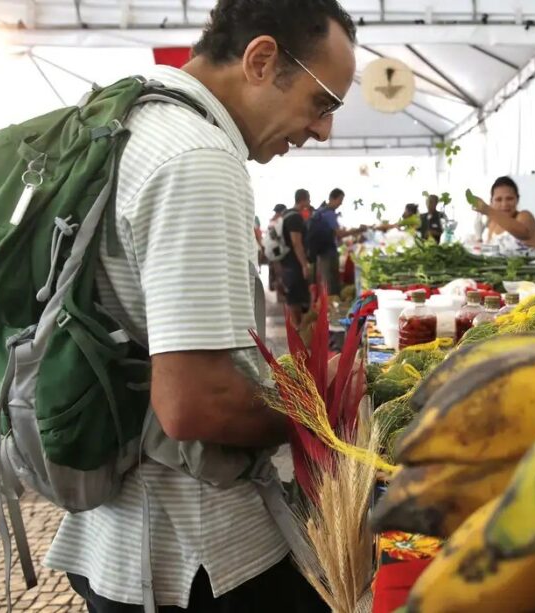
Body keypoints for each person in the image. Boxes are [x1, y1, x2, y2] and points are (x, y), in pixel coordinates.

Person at [44, 1, 357, 611]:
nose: (323, 131)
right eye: (323, 102)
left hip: (116, 526)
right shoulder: (197, 157)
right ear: (262, 60)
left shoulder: (121, 119)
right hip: (191, 550)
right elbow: (194, 404)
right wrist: (328, 423)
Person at [309, 187, 366, 299]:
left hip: (321, 252)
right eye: (340, 199)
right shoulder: (329, 214)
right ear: (333, 199)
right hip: (328, 252)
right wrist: (358, 230)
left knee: (327, 280)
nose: (341, 203)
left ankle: (329, 305)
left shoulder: (321, 211)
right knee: (330, 282)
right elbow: (339, 234)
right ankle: (331, 306)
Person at [470, 176, 535, 255]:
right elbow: (488, 254)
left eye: (509, 198)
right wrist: (478, 238)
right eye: (498, 199)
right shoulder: (493, 224)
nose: (504, 204)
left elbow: (523, 234)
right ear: (491, 201)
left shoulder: (524, 216)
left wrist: (488, 210)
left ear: (517, 199)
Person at [282, 188, 314, 325]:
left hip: (288, 262)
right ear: (303, 200)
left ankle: (297, 327)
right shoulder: (295, 217)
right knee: (295, 297)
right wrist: (304, 265)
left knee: (294, 296)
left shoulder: (286, 214)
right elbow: (296, 243)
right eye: (309, 199)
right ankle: (297, 328)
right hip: (294, 264)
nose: (310, 202)